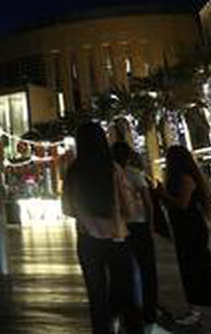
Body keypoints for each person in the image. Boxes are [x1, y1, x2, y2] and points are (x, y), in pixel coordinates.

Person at [63, 123, 144, 334]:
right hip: (117, 238)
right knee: (126, 291)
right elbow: (130, 208)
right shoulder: (113, 168)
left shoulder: (73, 171)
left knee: (96, 295)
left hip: (87, 240)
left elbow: (68, 208)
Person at [156, 145, 211, 326]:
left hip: (190, 228)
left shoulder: (185, 178)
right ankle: (199, 305)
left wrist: (162, 194)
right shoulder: (184, 177)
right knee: (191, 267)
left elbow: (182, 204)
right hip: (185, 228)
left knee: (197, 267)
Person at [113, 141, 171, 334]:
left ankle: (127, 309)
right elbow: (148, 202)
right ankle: (149, 311)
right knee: (147, 268)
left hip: (121, 227)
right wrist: (151, 224)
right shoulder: (134, 174)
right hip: (139, 224)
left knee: (124, 269)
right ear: (128, 156)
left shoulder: (111, 174)